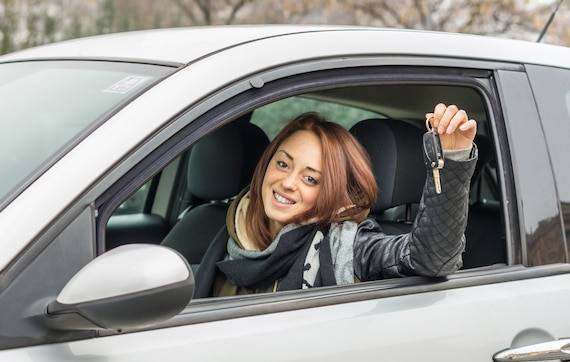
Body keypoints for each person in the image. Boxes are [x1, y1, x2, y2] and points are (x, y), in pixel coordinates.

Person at [194, 103, 478, 298]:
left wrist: (450, 161)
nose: (288, 183)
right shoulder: (227, 233)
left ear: (330, 194)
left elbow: (431, 259)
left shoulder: (345, 246)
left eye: (311, 179)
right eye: (283, 164)